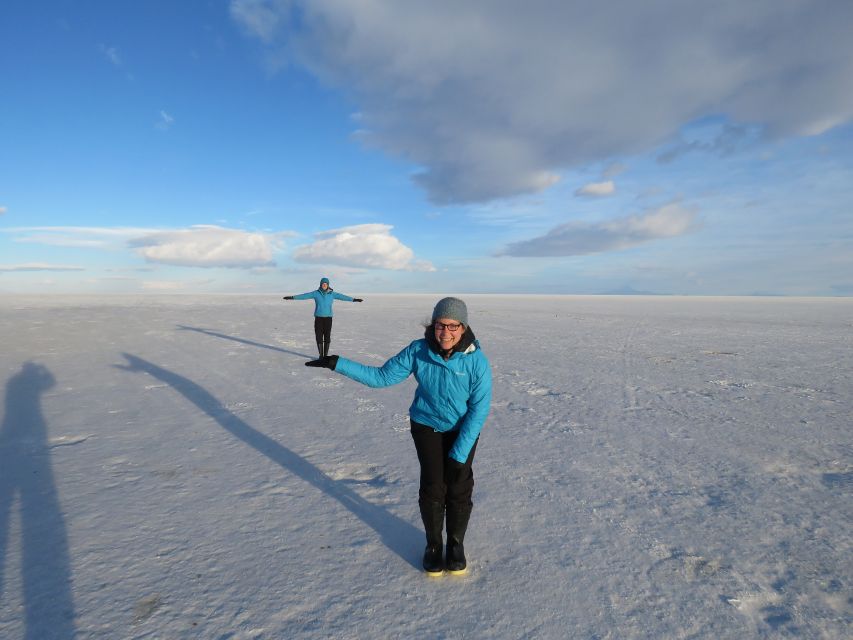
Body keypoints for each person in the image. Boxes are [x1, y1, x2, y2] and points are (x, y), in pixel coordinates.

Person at [306, 297, 492, 576]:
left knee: (458, 486)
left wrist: (459, 452)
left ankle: (455, 544)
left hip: (462, 429)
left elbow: (479, 409)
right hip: (426, 425)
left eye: (454, 326)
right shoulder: (418, 350)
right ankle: (433, 545)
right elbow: (382, 377)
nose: (446, 332)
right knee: (432, 486)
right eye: (441, 324)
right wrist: (337, 363)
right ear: (434, 324)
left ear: (463, 328)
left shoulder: (476, 361)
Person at [283, 277, 363, 358]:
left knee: (327, 336)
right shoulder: (316, 293)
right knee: (319, 336)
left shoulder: (332, 294)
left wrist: (353, 299)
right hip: (318, 318)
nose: (324, 285)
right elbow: (305, 296)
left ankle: (325, 356)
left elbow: (343, 297)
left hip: (328, 318)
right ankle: (321, 356)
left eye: (326, 284)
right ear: (321, 284)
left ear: (328, 285)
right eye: (323, 284)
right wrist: (293, 297)